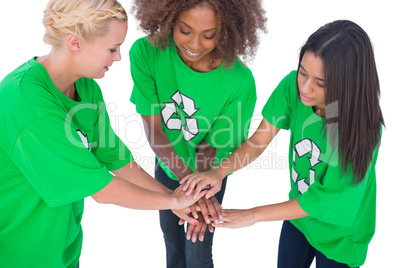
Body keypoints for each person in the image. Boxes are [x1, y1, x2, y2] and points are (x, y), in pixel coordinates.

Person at [0, 1, 206, 267]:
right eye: (112, 48)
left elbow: (116, 159)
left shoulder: (86, 88)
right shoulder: (26, 102)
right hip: (17, 252)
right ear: (75, 43)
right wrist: (172, 200)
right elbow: (103, 190)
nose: (118, 57)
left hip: (62, 249)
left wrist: (172, 199)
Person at [181, 20, 384, 267]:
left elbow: (322, 201)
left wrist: (252, 215)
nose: (305, 88)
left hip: (340, 237)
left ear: (348, 84)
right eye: (303, 72)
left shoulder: (357, 129)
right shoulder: (292, 87)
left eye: (321, 83)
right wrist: (218, 172)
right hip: (299, 219)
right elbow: (258, 141)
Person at [129, 0, 267, 267]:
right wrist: (183, 182)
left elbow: (211, 147)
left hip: (209, 176)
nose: (194, 45)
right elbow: (155, 128)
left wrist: (199, 191)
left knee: (198, 250)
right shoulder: (146, 53)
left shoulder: (238, 82)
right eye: (184, 30)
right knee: (172, 240)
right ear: (169, 19)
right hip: (169, 166)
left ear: (226, 30)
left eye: (209, 35)